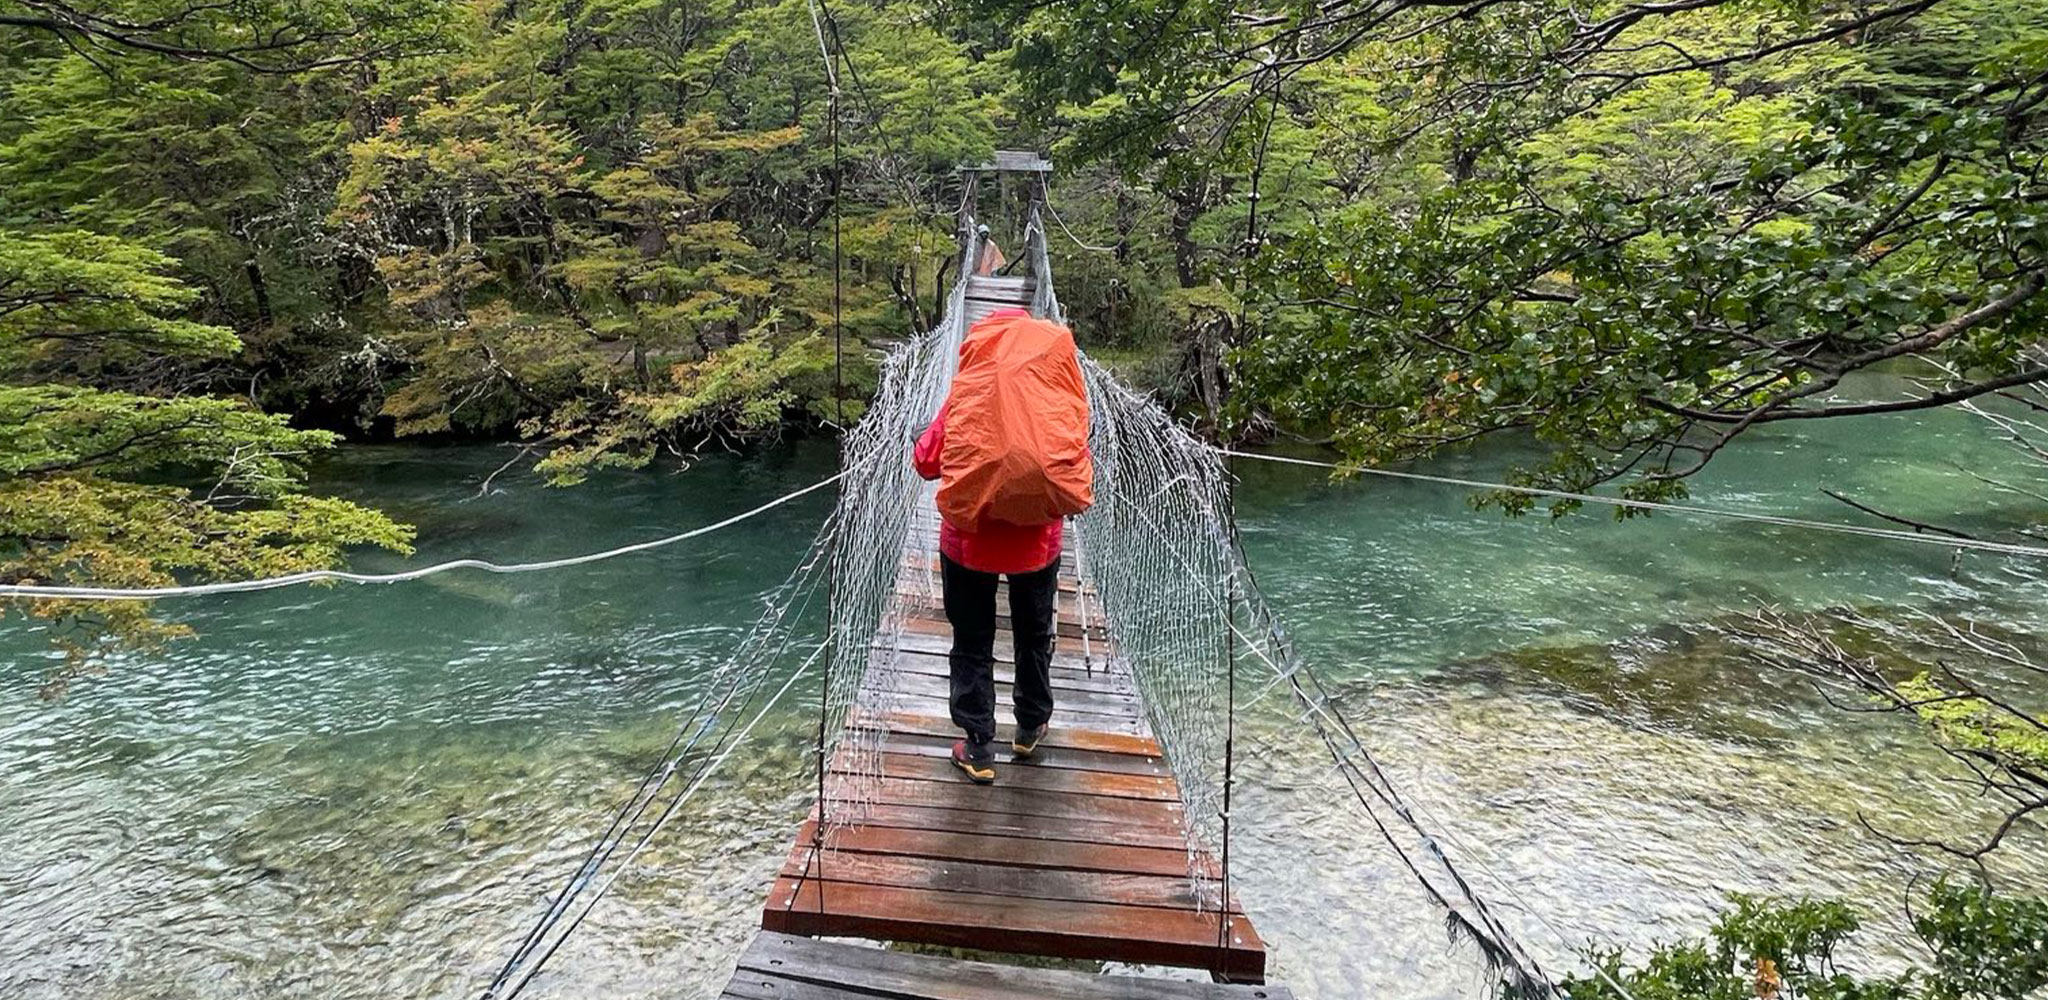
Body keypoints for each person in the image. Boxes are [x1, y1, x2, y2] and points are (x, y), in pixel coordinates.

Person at [912, 307, 1069, 784]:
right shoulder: (1054, 396)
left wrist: (919, 437)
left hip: (969, 544)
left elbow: (927, 463)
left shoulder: (968, 391)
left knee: (973, 640)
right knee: (1033, 633)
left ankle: (978, 745)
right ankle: (1029, 725)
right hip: (1036, 544)